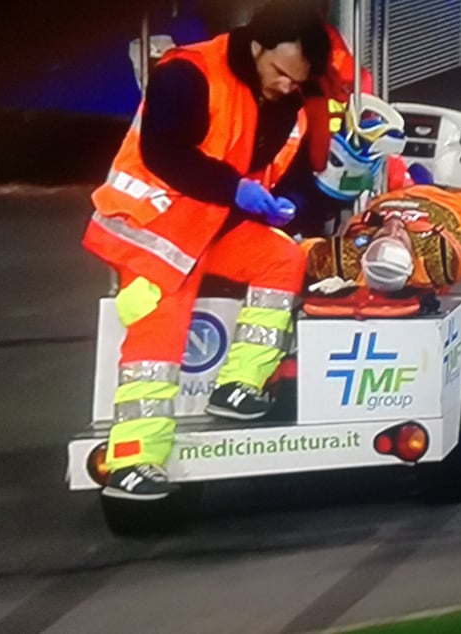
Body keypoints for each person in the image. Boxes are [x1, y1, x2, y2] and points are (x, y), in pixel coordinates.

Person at [82, 0, 334, 500]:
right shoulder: (188, 74)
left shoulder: (283, 99)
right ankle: (132, 461)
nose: (288, 85)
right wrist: (234, 189)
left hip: (210, 227)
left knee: (282, 259)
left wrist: (287, 203)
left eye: (297, 80)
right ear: (257, 46)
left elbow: (288, 170)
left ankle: (239, 386)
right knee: (156, 338)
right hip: (150, 229)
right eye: (282, 73)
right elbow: (164, 153)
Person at [301, 183, 461, 294]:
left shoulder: (346, 260)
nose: (393, 226)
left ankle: (419, 180)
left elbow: (303, 251)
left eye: (383, 235)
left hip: (395, 195)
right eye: (399, 237)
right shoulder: (436, 256)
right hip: (452, 204)